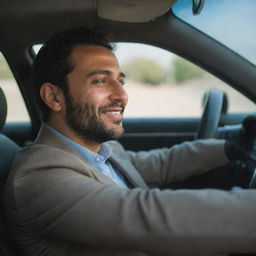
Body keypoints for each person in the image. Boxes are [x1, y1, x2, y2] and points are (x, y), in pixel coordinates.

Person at [4, 27, 256, 256]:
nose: (122, 94)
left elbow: (159, 164)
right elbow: (147, 215)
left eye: (120, 81)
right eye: (100, 81)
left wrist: (230, 146)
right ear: (54, 96)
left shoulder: (99, 148)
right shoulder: (39, 178)